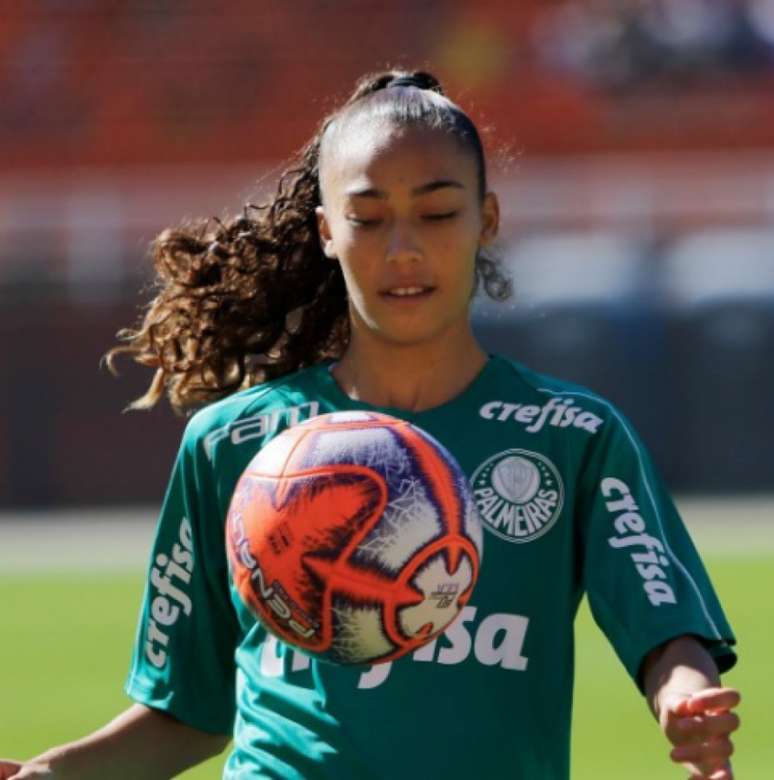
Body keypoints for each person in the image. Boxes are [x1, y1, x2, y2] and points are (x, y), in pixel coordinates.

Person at [1, 69, 741, 780]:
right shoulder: (233, 445)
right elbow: (186, 712)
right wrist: (49, 772)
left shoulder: (572, 436)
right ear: (327, 230)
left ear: (487, 219)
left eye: (438, 212)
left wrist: (682, 694)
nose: (404, 248)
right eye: (369, 218)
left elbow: (665, 625)